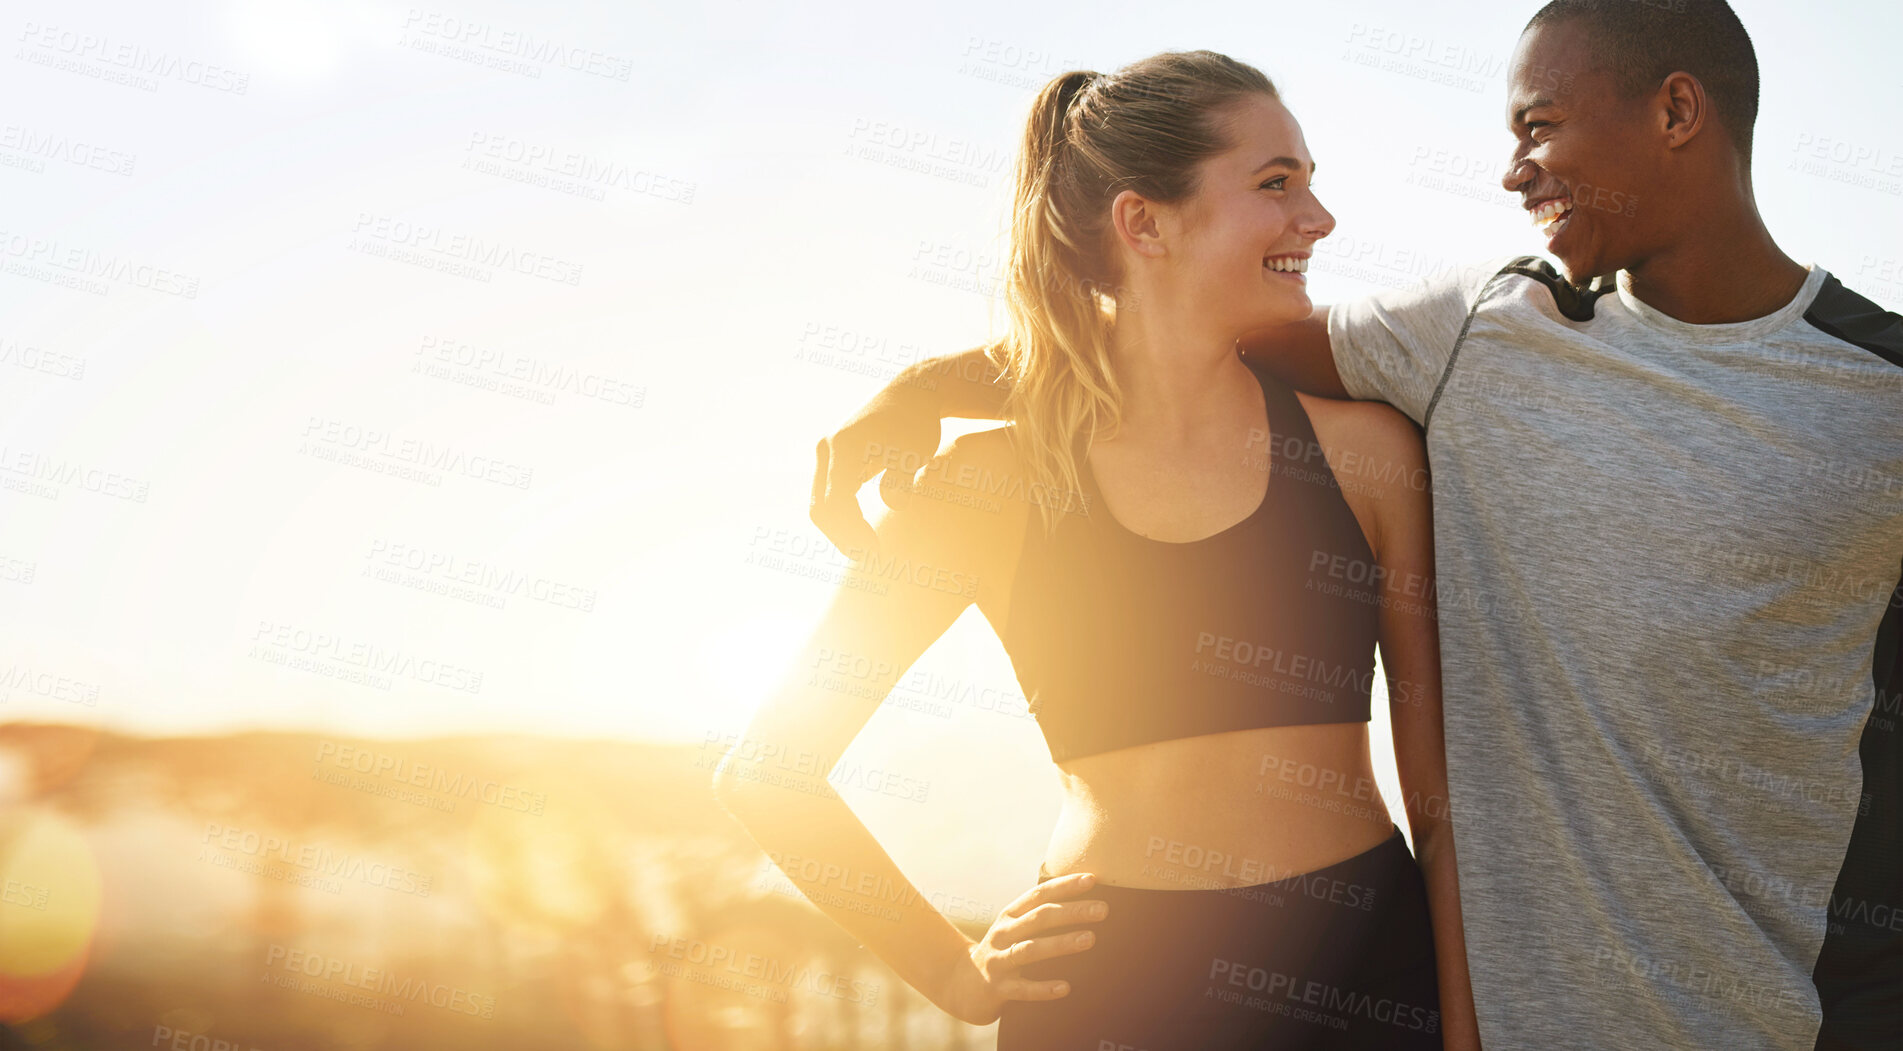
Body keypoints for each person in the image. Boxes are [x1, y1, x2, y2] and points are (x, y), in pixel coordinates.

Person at [811, 3, 1903, 1049]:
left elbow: (1443, 804)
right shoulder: (1482, 327)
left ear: (1675, 112)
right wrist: (922, 384)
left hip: (1672, 1005)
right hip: (1168, 989)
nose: (1512, 170)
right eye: (1276, 182)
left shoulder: (1881, 394)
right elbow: (1181, 349)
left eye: (1538, 127)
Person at [717, 50, 1480, 1049]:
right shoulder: (981, 491)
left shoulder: (1367, 458)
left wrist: (1464, 1029)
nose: (1319, 218)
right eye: (1275, 184)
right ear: (1143, 223)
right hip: (1109, 994)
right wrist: (955, 968)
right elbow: (768, 768)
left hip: (1364, 981)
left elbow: (1444, 796)